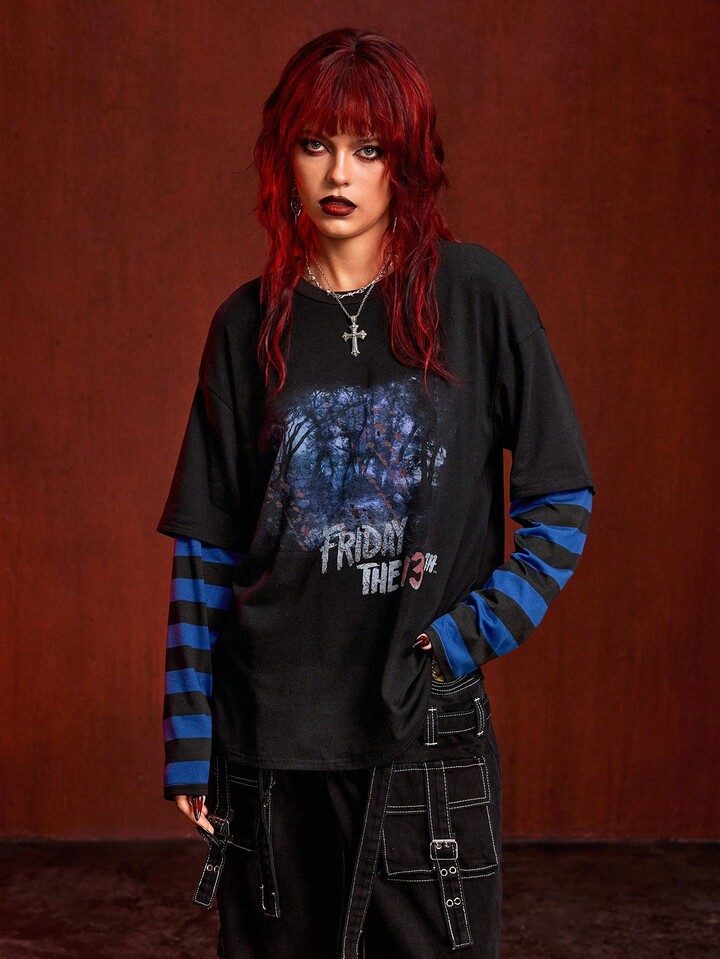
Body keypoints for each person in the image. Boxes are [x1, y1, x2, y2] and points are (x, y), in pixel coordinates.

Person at [156, 26, 595, 959]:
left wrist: (467, 636)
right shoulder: (246, 325)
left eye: (369, 148)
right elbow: (206, 552)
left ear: (408, 161)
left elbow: (562, 499)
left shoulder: (477, 297)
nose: (338, 173)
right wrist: (191, 738)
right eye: (316, 144)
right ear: (284, 157)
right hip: (269, 735)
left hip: (423, 731)